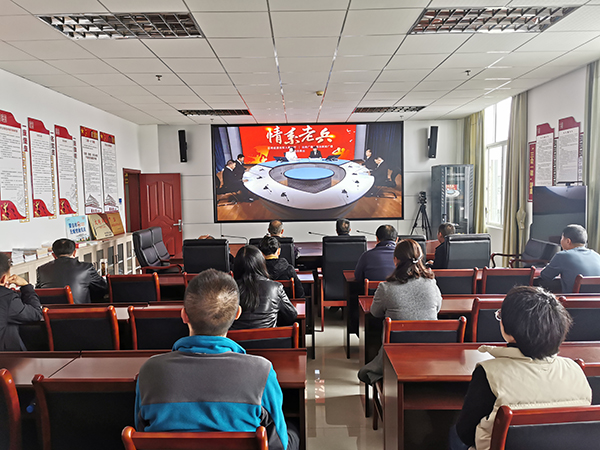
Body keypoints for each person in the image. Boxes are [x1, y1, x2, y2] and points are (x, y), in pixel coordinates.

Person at [135, 269, 299, 450]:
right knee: (294, 432)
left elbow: (141, 432)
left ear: (184, 315)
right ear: (237, 314)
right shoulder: (262, 371)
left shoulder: (149, 371)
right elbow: (279, 445)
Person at [450, 286, 591, 450]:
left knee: (454, 434)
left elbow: (466, 433)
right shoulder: (575, 370)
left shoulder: (489, 372)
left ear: (511, 329)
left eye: (501, 316)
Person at [357, 239, 442, 384]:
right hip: (430, 355)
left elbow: (375, 312)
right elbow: (438, 308)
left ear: (395, 260)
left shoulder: (386, 287)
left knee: (365, 372)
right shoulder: (431, 284)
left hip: (396, 355)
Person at [230, 245, 297, 329]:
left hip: (235, 337)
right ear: (261, 264)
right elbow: (292, 315)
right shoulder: (275, 288)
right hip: (269, 337)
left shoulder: (228, 289)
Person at [36, 238, 108, 304]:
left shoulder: (42, 270)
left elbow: (38, 293)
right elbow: (103, 288)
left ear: (53, 255)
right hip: (80, 312)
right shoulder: (86, 268)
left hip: (50, 312)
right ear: (74, 252)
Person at [538, 224, 600, 293]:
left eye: (562, 238)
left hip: (573, 299)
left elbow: (545, 276)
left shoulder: (562, 256)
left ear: (568, 241)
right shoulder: (597, 255)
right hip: (596, 299)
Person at [0, 252, 42, 350]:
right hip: (7, 358)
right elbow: (36, 313)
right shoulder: (7, 298)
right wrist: (26, 286)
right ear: (4, 279)